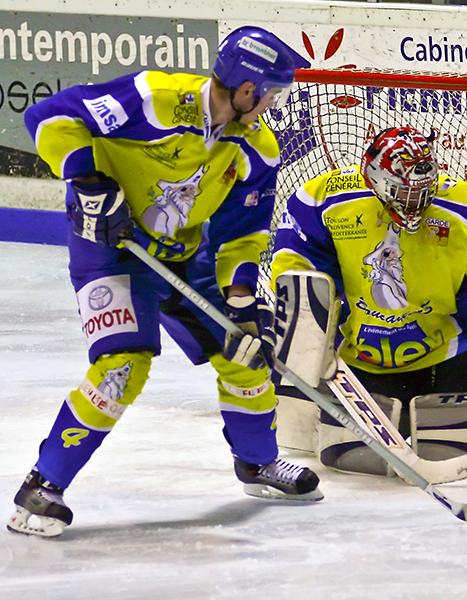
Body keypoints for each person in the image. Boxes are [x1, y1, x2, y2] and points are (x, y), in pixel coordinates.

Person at [8, 26, 322, 539]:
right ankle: (42, 485)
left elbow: (244, 234)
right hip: (112, 251)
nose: (272, 103)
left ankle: (257, 462)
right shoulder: (155, 97)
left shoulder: (259, 149)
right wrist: (89, 181)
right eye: (271, 92)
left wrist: (240, 301)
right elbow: (50, 116)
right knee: (122, 366)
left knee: (245, 352)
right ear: (246, 89)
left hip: (188, 257)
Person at [270, 127, 467, 441]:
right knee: (344, 448)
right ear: (377, 180)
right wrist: (309, 341)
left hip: (451, 355)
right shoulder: (323, 200)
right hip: (362, 360)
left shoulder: (465, 208)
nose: (416, 203)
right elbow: (298, 273)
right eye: (406, 193)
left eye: (423, 191)